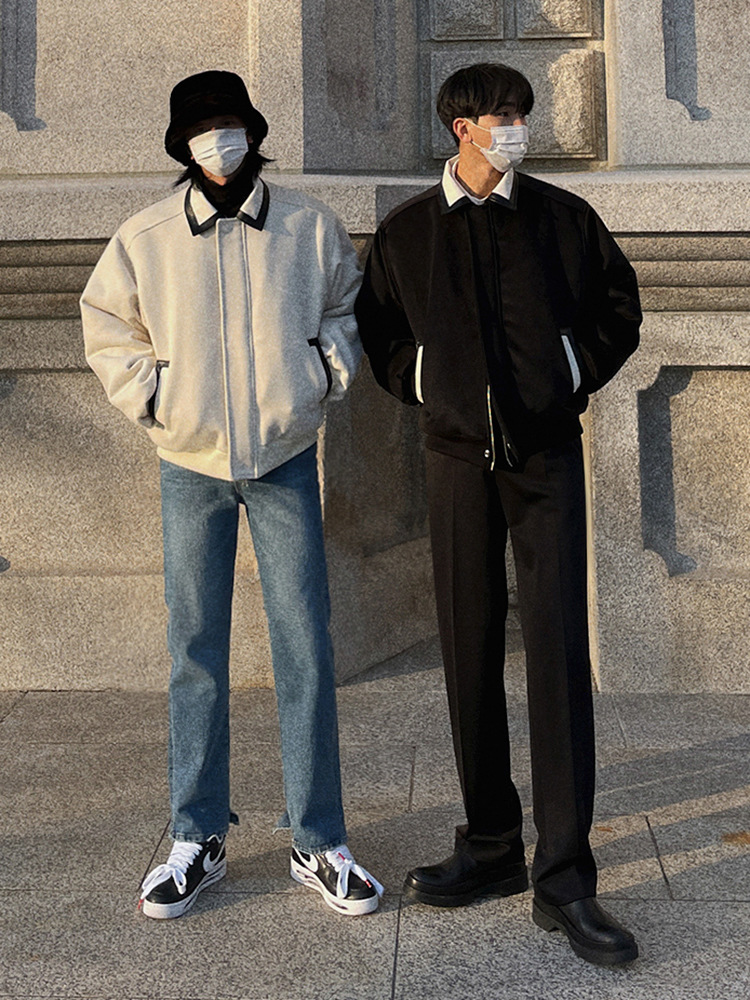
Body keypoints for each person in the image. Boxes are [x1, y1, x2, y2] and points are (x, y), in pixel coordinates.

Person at [354, 63, 641, 965]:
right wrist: (428, 385)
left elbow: (618, 309)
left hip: (547, 458)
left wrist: (567, 369)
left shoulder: (563, 218)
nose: (517, 126)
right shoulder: (407, 231)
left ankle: (565, 878)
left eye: (521, 112)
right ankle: (489, 845)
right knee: (468, 645)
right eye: (502, 114)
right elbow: (378, 332)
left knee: (556, 653)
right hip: (454, 463)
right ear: (462, 128)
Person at [81, 70, 382, 920]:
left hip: (284, 458)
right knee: (195, 649)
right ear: (183, 144)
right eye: (202, 128)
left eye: (229, 122)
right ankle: (197, 836)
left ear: (253, 130)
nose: (218, 139)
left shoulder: (307, 226)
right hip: (190, 463)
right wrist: (155, 399)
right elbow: (107, 325)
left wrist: (318, 379)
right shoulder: (145, 236)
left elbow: (347, 309)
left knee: (305, 646)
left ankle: (318, 840)